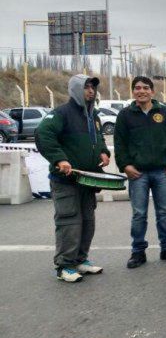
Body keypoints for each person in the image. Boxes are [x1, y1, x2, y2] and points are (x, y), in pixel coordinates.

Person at [35, 74, 110, 282]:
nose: (91, 91)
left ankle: (80, 259)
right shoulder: (62, 114)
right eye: (86, 87)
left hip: (88, 179)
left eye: (93, 88)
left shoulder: (93, 116)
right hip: (66, 181)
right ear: (76, 89)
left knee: (87, 221)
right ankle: (64, 265)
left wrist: (104, 152)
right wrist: (59, 159)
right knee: (69, 221)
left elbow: (99, 139)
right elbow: (43, 135)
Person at [114, 76, 166, 269]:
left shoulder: (164, 112)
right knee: (139, 214)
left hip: (163, 172)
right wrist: (125, 166)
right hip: (138, 174)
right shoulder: (125, 115)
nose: (141, 91)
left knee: (163, 212)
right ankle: (138, 252)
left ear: (152, 92)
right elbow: (119, 144)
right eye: (137, 88)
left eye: (145, 88)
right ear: (133, 91)